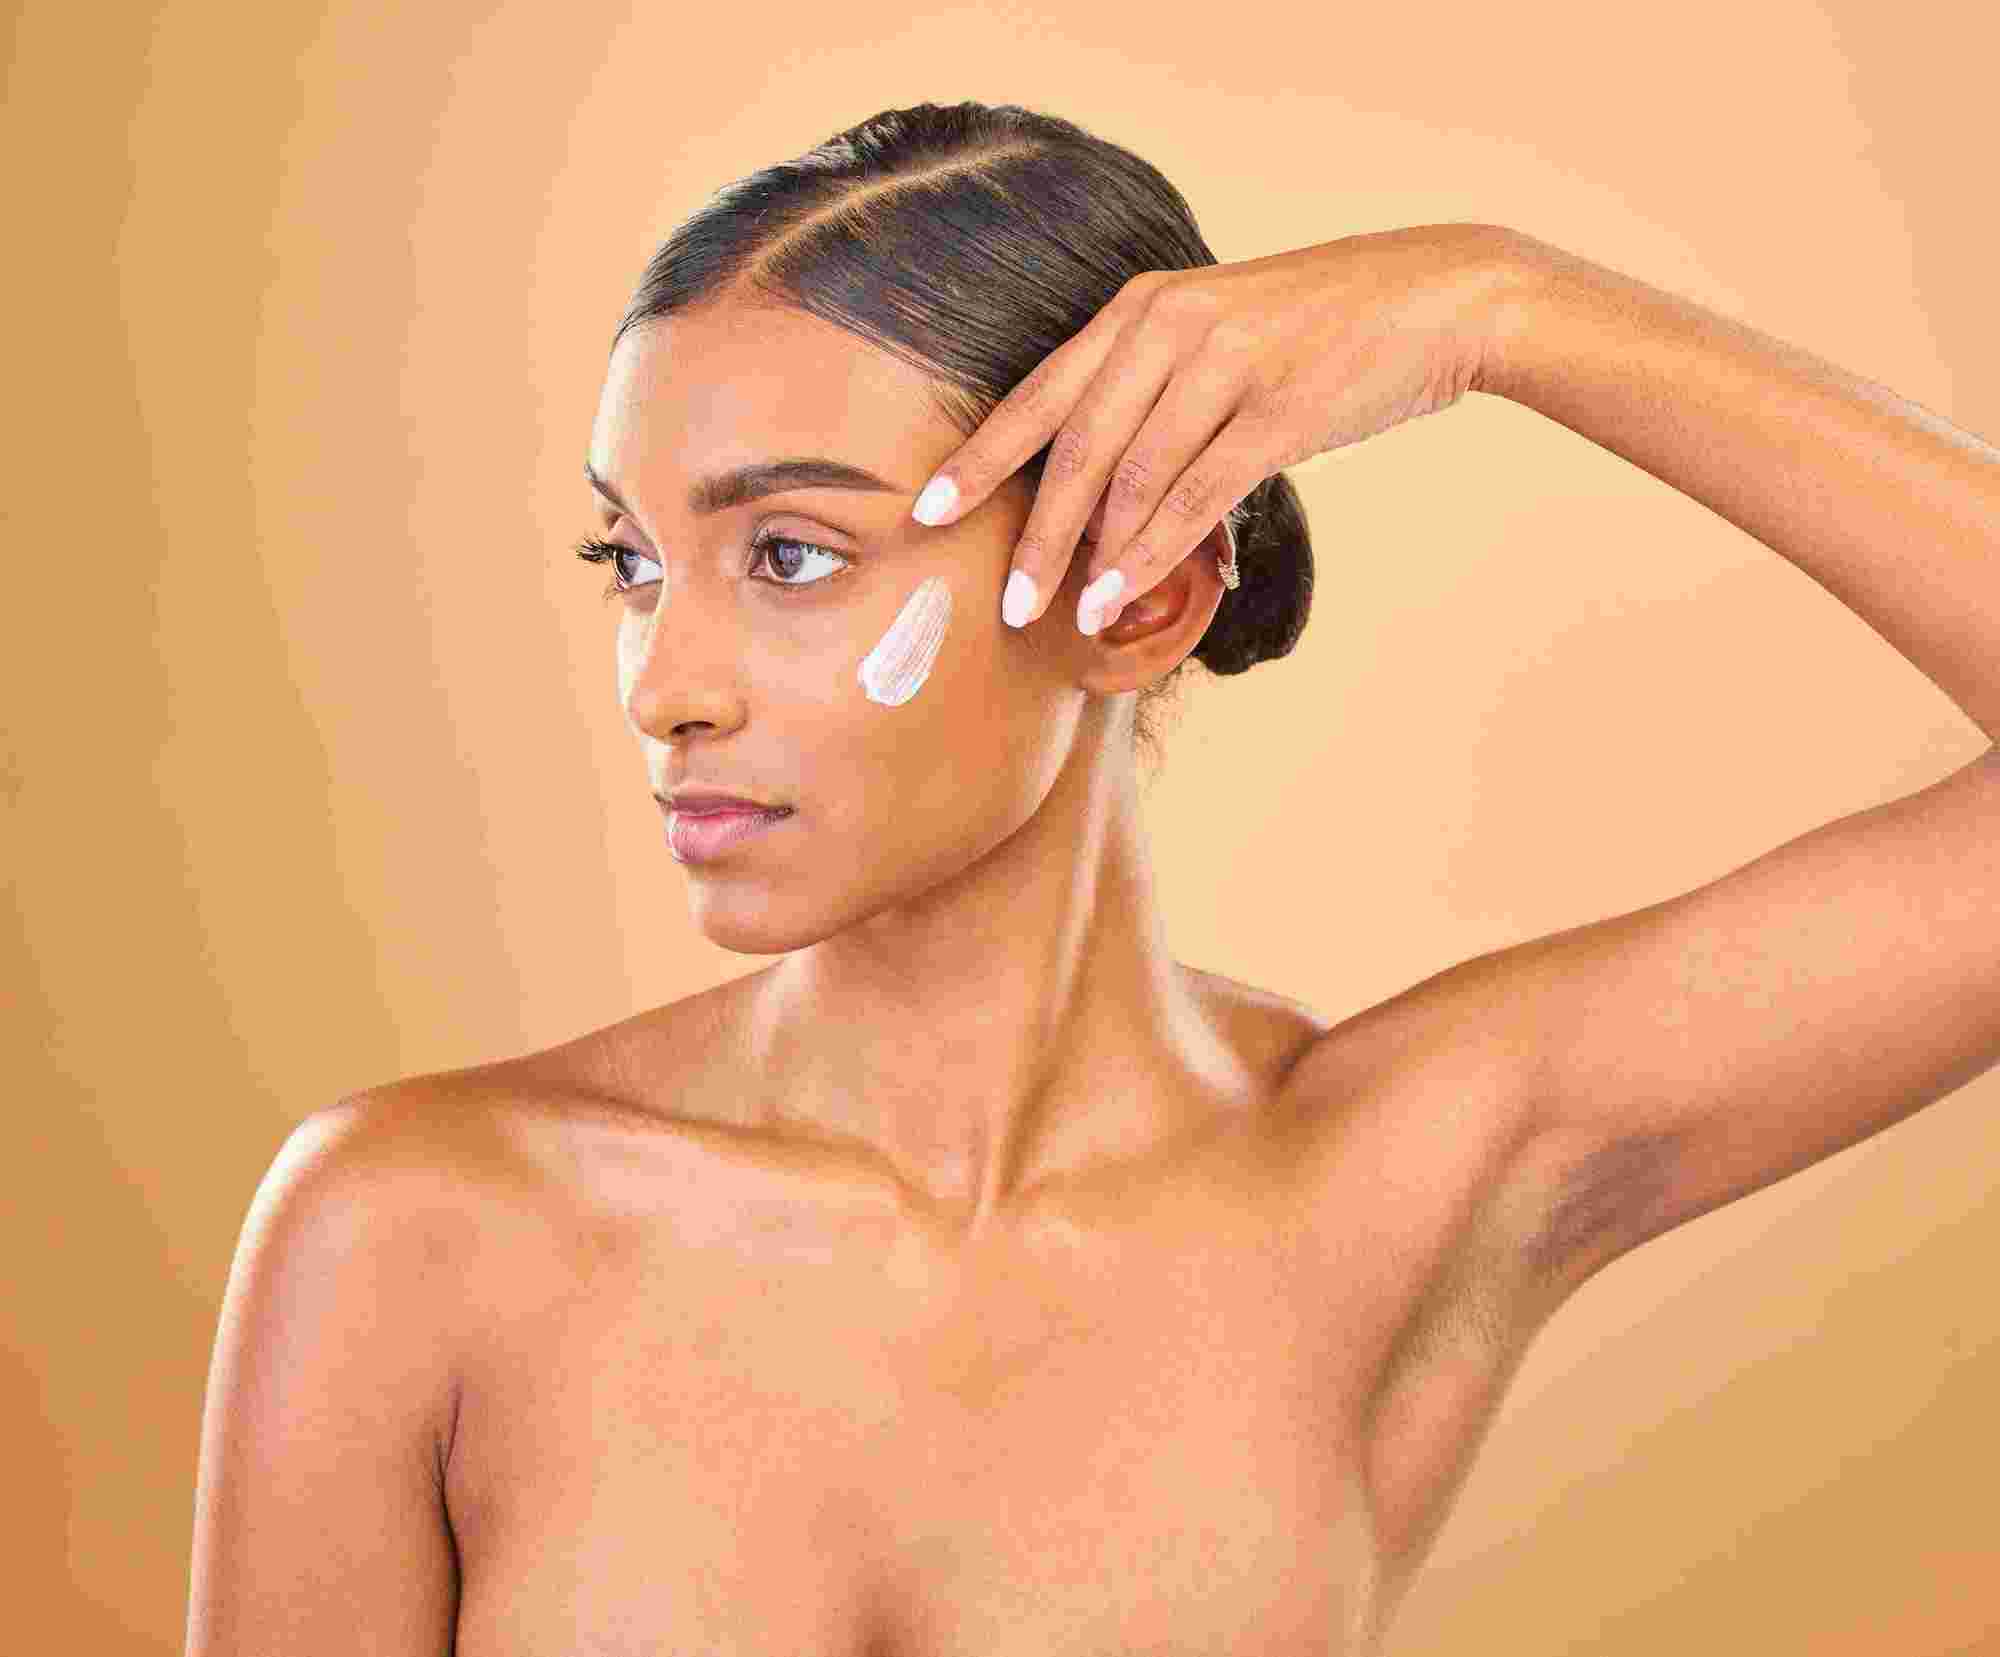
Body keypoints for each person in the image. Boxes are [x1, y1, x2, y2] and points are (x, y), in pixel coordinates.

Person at [184, 101, 2000, 1655]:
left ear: (1141, 598)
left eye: (794, 553)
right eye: (636, 559)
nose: (667, 682)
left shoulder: (1390, 1182)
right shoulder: (412, 1230)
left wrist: (1504, 305)